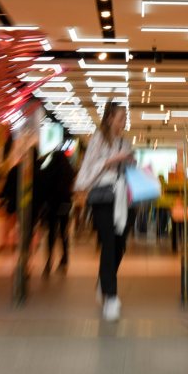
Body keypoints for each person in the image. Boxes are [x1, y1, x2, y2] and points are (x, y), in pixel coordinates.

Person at [76, 102, 135, 322]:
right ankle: (111, 296)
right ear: (109, 118)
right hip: (102, 197)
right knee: (109, 242)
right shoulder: (98, 139)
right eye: (121, 118)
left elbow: (127, 169)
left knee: (119, 243)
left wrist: (130, 162)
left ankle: (104, 279)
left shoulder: (124, 142)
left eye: (125, 118)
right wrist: (113, 159)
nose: (123, 123)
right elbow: (88, 168)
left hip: (122, 197)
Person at [35, 146, 76, 275]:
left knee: (52, 233)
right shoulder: (69, 172)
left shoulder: (50, 170)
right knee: (64, 232)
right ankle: (65, 258)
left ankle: (49, 261)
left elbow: (40, 178)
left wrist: (46, 156)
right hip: (65, 204)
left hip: (52, 205)